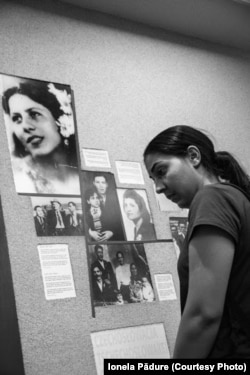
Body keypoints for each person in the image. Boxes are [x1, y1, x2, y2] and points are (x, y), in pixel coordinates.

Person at [144, 124, 250, 358]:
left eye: (161, 172)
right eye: (153, 179)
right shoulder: (235, 198)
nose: (158, 188)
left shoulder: (212, 198)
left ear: (193, 156)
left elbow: (204, 314)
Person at [2, 79, 80, 194]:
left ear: (59, 119)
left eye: (34, 114)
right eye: (17, 119)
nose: (25, 126)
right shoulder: (21, 181)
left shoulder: (80, 174)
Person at [90, 173, 125, 241]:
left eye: (103, 182)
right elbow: (86, 218)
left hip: (117, 237)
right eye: (98, 182)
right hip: (98, 238)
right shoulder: (90, 198)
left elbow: (122, 219)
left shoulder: (116, 197)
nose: (101, 185)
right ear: (94, 183)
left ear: (107, 184)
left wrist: (112, 232)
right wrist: (90, 232)